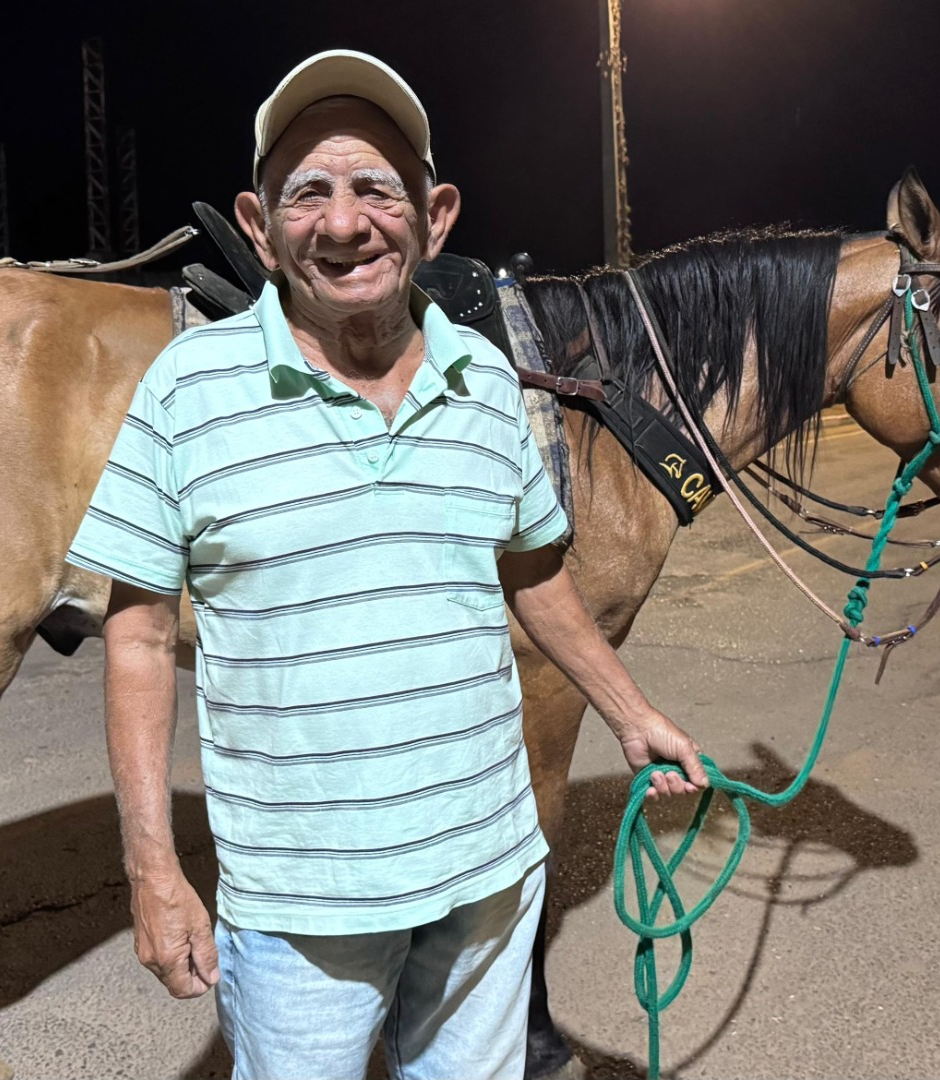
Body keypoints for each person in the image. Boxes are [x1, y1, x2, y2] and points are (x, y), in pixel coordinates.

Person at [66, 49, 710, 1080]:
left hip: (490, 881)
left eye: (377, 188)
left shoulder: (489, 382)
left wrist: (632, 715)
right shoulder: (187, 389)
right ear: (260, 223)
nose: (345, 222)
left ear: (436, 215)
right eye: (307, 193)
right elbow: (138, 633)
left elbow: (535, 574)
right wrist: (152, 869)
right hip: (297, 908)